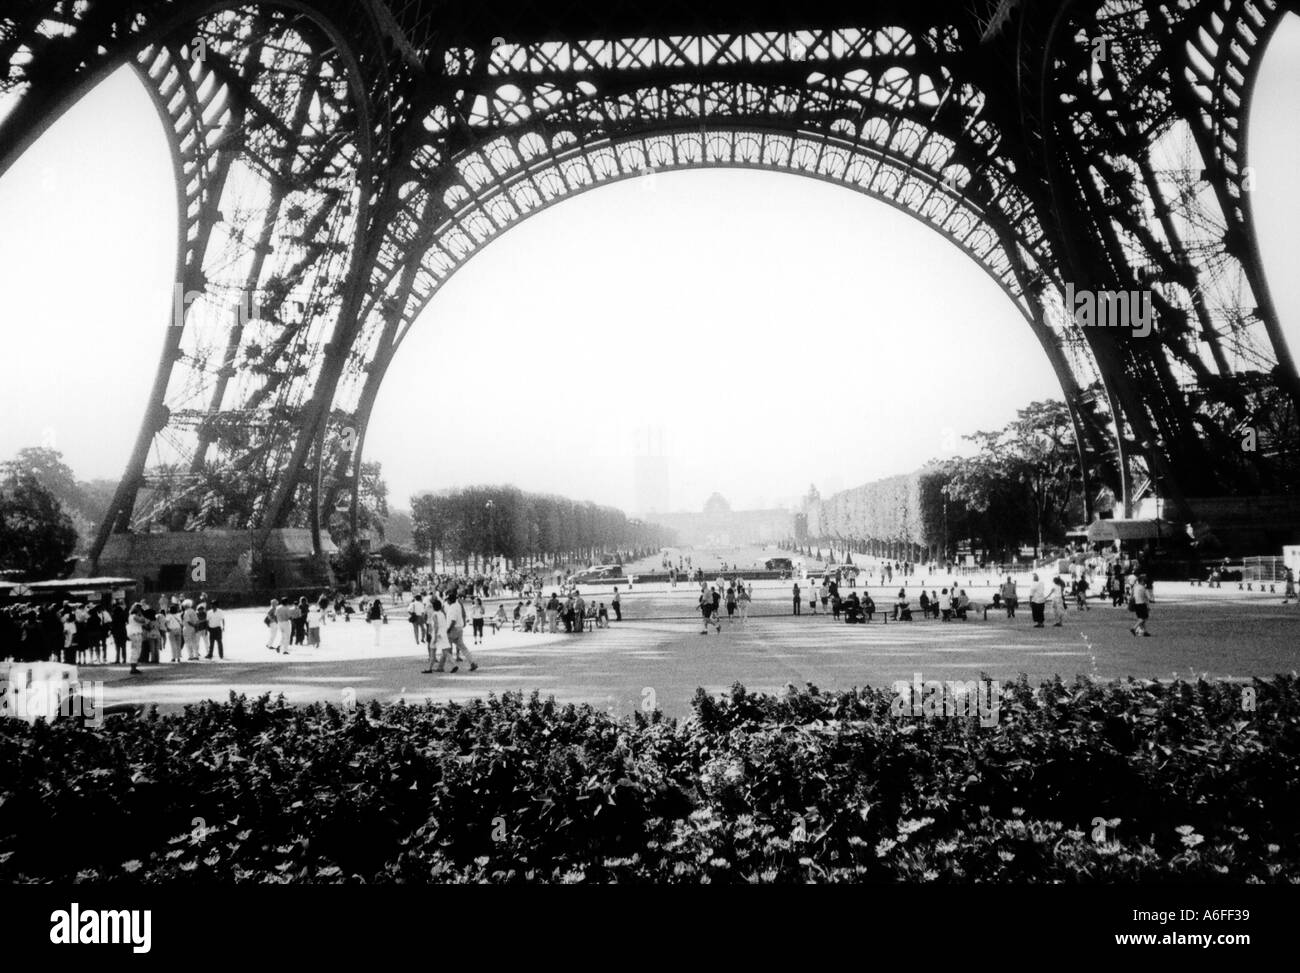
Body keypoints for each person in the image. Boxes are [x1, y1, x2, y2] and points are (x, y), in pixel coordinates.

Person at [125, 603, 146, 675]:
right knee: (136, 650)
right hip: (136, 634)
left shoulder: (131, 616)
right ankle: (133, 667)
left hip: (135, 634)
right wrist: (141, 614)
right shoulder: (134, 616)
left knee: (136, 650)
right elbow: (143, 620)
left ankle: (134, 666)